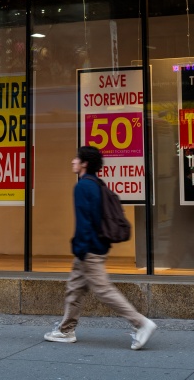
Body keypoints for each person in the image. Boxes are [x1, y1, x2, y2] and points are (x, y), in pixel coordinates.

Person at [44, 145, 157, 350]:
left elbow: (85, 222)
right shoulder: (97, 184)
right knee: (74, 288)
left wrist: (81, 248)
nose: (73, 161)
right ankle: (65, 330)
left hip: (89, 249)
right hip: (95, 247)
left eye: (76, 159)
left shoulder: (82, 187)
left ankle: (141, 323)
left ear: (85, 163)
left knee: (104, 290)